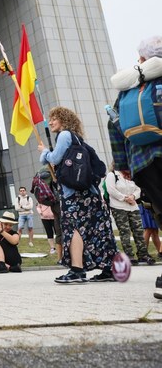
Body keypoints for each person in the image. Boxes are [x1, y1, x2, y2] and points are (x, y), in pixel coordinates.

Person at [39, 106, 117, 284]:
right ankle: (109, 269)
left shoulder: (65, 135)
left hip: (73, 193)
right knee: (96, 229)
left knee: (73, 228)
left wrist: (44, 152)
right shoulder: (78, 139)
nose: (50, 122)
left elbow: (54, 158)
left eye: (54, 118)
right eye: (50, 119)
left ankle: (77, 270)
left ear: (64, 120)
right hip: (89, 191)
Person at [109, 36, 162, 298]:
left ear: (142, 59)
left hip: (143, 162)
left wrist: (122, 165)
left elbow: (115, 125)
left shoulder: (130, 87)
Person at [105, 165, 154, 265]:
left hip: (133, 206)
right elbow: (111, 190)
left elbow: (138, 189)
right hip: (118, 207)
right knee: (125, 232)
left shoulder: (131, 175)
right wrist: (124, 198)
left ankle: (143, 254)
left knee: (139, 231)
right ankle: (129, 255)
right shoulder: (112, 175)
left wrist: (133, 196)